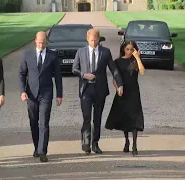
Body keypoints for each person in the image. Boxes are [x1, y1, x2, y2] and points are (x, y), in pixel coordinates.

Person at [72, 28, 123, 155]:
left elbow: (113, 69)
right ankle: (85, 142)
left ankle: (95, 143)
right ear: (87, 38)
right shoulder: (81, 52)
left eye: (96, 40)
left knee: (97, 118)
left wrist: (120, 84)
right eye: (91, 40)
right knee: (87, 117)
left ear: (99, 39)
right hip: (86, 89)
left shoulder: (105, 52)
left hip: (100, 90)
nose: (94, 42)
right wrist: (83, 74)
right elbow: (74, 68)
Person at [18, 31, 63, 162]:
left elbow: (58, 77)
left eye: (43, 43)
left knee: (44, 123)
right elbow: (21, 74)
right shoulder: (27, 55)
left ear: (46, 42)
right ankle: (37, 147)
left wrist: (59, 94)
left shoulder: (52, 55)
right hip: (31, 94)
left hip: (46, 93)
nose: (41, 45)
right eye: (39, 42)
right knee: (33, 122)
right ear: (35, 41)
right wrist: (22, 91)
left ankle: (43, 151)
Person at [105, 40, 145, 156]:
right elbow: (114, 78)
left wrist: (137, 57)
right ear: (123, 49)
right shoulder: (117, 62)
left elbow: (142, 72)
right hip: (122, 92)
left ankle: (135, 145)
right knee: (125, 117)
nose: (129, 52)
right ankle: (126, 140)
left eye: (131, 49)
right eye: (127, 49)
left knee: (135, 117)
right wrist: (118, 88)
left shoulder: (135, 61)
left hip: (133, 92)